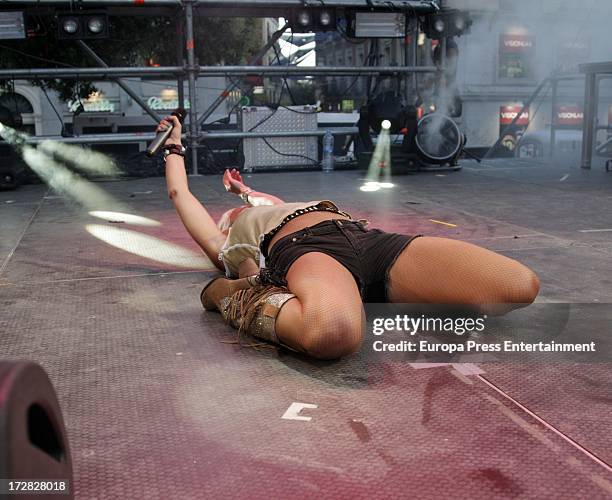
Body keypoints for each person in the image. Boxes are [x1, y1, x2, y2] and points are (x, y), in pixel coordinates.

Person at [158, 116, 540, 360]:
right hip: (306, 253)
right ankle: (224, 294)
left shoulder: (263, 207)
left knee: (517, 286)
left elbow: (270, 204)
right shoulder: (226, 246)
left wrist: (243, 194)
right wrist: (175, 144)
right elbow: (181, 196)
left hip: (364, 239)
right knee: (331, 333)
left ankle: (370, 296)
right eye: (232, 215)